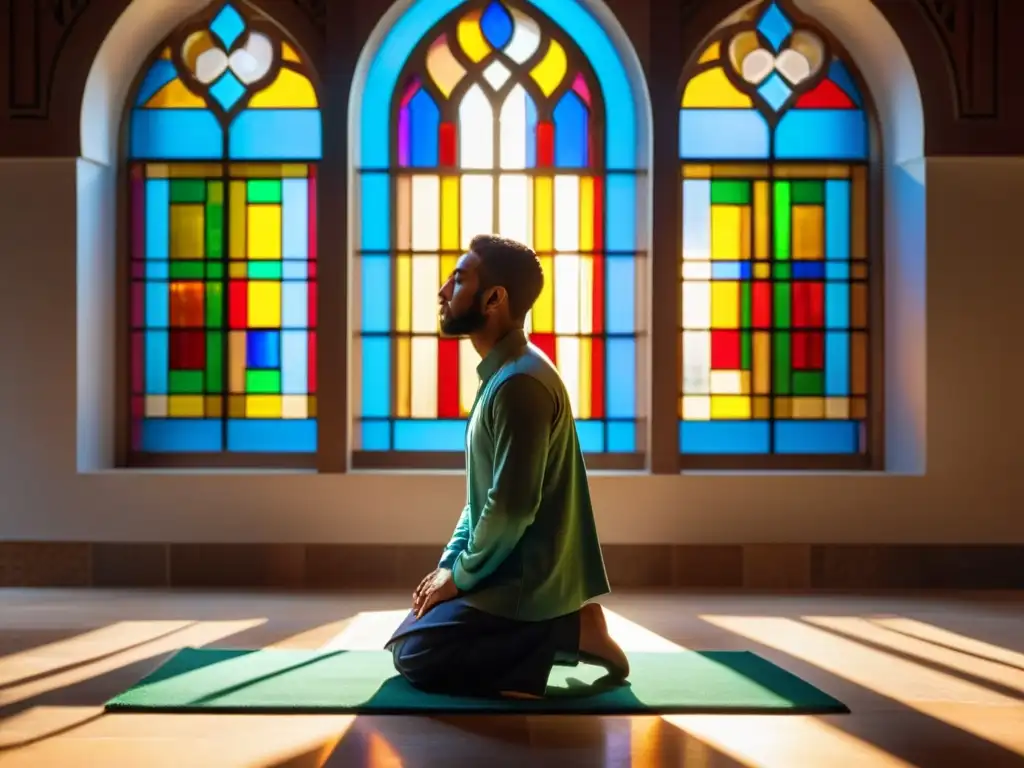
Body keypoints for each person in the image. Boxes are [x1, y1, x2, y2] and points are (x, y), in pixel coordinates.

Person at [384, 234, 629, 700]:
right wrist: (450, 569)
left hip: (522, 582)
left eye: (458, 280)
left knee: (415, 654)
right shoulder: (503, 375)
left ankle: (566, 631)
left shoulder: (521, 385)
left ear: (494, 299)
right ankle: (564, 629)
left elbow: (512, 509)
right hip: (500, 571)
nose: (442, 292)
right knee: (408, 634)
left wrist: (458, 578)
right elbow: (481, 502)